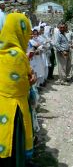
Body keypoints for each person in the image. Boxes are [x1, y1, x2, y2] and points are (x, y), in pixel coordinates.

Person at [0, 13, 35, 167]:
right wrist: (31, 80)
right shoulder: (18, 55)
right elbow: (21, 86)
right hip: (15, 110)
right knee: (15, 145)